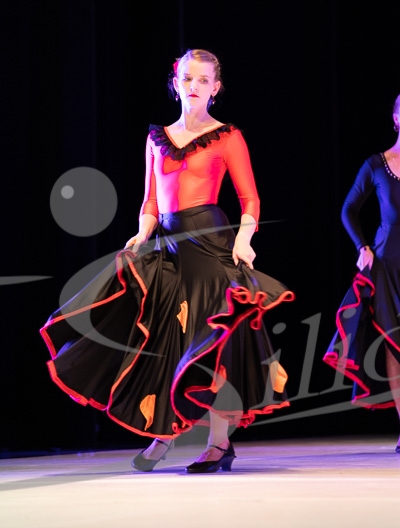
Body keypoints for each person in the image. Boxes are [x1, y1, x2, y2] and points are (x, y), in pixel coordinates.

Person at [40, 48, 295, 473]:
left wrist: (245, 238)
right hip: (170, 249)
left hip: (211, 244)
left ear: (215, 88)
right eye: (187, 78)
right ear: (175, 82)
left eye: (203, 80)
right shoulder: (157, 138)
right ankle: (165, 433)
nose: (194, 86)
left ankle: (217, 443)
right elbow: (151, 201)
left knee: (211, 343)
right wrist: (142, 232)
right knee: (164, 342)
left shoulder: (227, 136)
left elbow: (249, 198)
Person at [324, 93, 400, 452]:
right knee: (394, 344)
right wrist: (362, 247)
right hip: (388, 265)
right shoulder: (377, 164)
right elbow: (348, 210)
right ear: (396, 118)